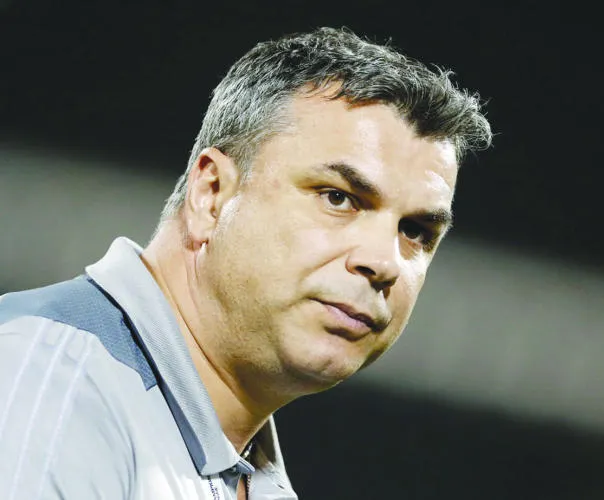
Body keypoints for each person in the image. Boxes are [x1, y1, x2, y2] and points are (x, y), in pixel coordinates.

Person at [0, 27, 491, 499]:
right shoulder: (50, 380)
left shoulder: (246, 471)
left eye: (415, 231)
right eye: (338, 198)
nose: (383, 262)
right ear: (211, 194)